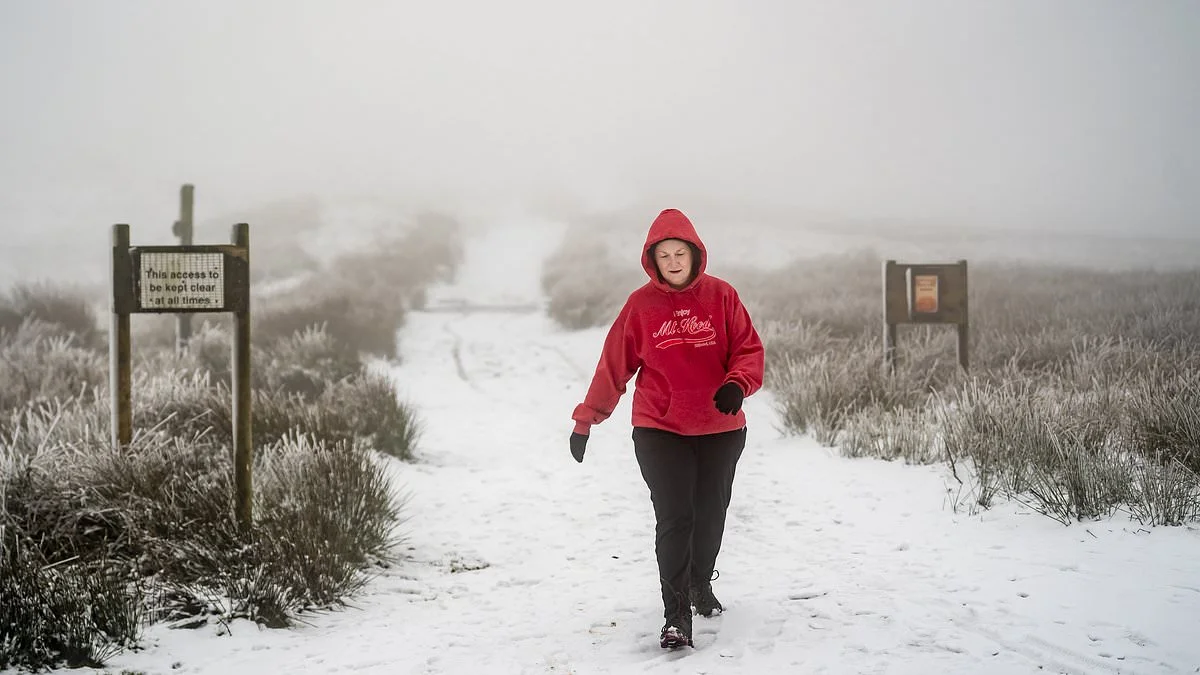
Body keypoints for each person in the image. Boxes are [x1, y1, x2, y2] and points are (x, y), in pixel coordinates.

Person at [568, 208, 765, 649]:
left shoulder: (722, 296)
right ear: (652, 261)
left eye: (680, 253)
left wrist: (738, 384)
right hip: (660, 428)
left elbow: (749, 350)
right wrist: (587, 419)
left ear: (696, 255)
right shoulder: (641, 306)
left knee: (710, 515)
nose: (674, 261)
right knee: (675, 516)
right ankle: (676, 616)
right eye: (664, 255)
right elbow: (613, 366)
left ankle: (699, 582)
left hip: (720, 427)